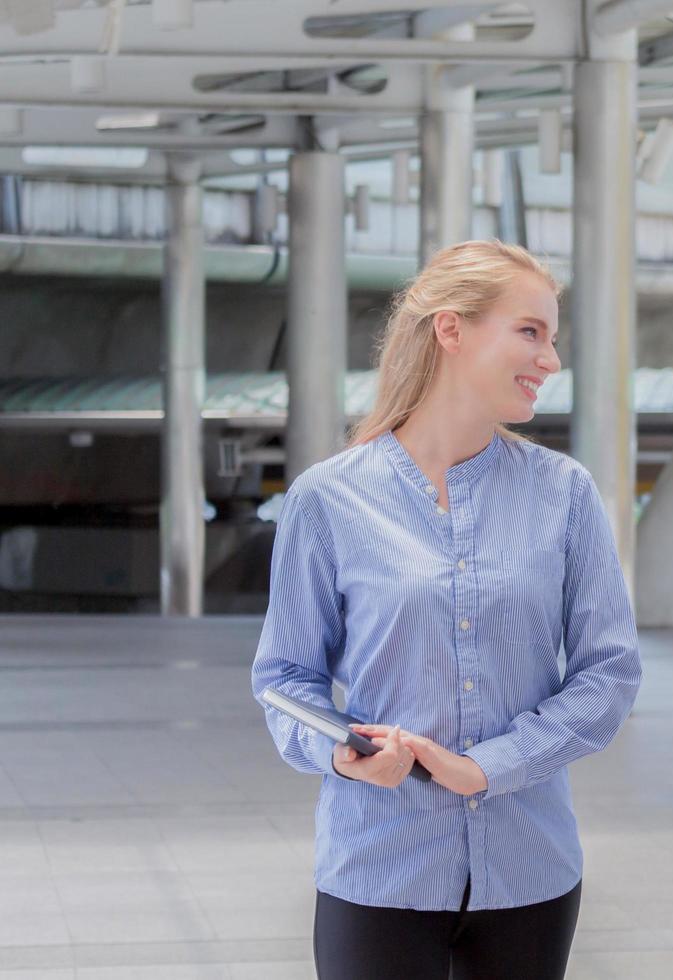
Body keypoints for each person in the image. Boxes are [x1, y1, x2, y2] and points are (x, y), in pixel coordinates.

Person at [250, 240, 642, 980]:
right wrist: (339, 753)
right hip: (377, 869)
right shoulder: (327, 499)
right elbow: (284, 678)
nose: (550, 359)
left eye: (551, 338)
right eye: (530, 332)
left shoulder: (563, 493)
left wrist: (486, 768)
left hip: (530, 873)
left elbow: (609, 675)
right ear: (451, 330)